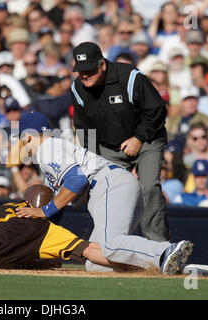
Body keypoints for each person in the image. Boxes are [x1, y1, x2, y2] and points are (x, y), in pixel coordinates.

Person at [8, 111, 193, 274]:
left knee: (110, 244)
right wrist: (41, 229)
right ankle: (160, 266)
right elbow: (58, 205)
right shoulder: (54, 150)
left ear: (27, 137)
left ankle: (165, 251)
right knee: (96, 264)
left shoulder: (47, 149)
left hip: (109, 184)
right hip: (117, 186)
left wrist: (43, 211)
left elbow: (77, 180)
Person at [70, 41, 170, 242]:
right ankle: (113, 245)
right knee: (111, 192)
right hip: (109, 147)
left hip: (147, 139)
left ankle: (160, 247)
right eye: (80, 71)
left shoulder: (130, 77)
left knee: (148, 187)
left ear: (102, 65)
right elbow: (84, 128)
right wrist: (92, 163)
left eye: (89, 69)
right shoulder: (77, 89)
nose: (84, 75)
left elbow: (157, 110)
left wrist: (139, 138)